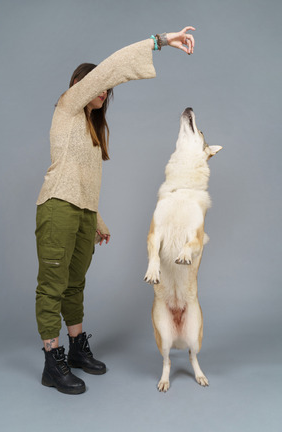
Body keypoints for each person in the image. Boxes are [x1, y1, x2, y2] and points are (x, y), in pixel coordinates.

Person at [35, 27, 196, 395]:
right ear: (79, 84)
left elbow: (84, 182)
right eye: (97, 83)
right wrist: (160, 42)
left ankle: (75, 348)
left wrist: (96, 220)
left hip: (81, 214)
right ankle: (51, 358)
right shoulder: (67, 106)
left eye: (107, 88)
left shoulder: (91, 131)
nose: (104, 90)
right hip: (57, 209)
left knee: (75, 284)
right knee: (53, 285)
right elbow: (109, 69)